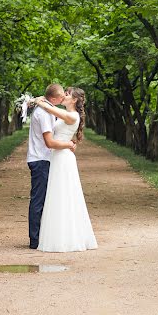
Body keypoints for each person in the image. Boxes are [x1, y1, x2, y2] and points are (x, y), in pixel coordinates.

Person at [33, 87, 98, 253]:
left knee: (65, 195)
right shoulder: (65, 113)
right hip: (57, 157)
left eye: (67, 95)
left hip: (63, 159)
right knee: (57, 195)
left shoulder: (71, 116)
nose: (64, 96)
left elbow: (49, 108)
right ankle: (57, 234)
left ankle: (67, 237)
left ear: (74, 100)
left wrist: (38, 101)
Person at [27, 83, 76, 250]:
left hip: (43, 159)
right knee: (38, 200)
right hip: (40, 160)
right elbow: (49, 142)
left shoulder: (47, 109)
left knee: (44, 200)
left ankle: (42, 236)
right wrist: (68, 144)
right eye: (61, 96)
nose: (63, 98)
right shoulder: (44, 113)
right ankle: (35, 240)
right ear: (54, 99)